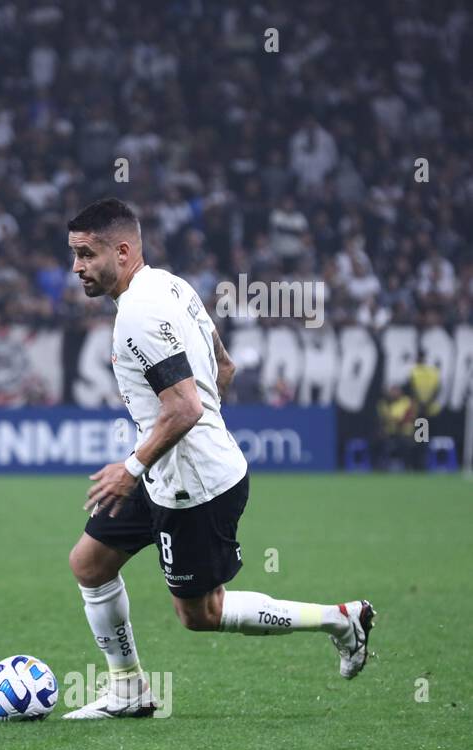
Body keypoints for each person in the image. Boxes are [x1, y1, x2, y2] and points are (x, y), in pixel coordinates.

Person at [63, 199, 375, 719]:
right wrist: (177, 445)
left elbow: (185, 405)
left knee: (201, 613)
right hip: (168, 468)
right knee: (89, 564)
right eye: (73, 255)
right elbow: (223, 366)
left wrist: (133, 466)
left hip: (193, 485)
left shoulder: (137, 314)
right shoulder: (171, 284)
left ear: (122, 250)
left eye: (86, 254)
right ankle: (128, 690)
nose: (76, 268)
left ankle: (340, 619)